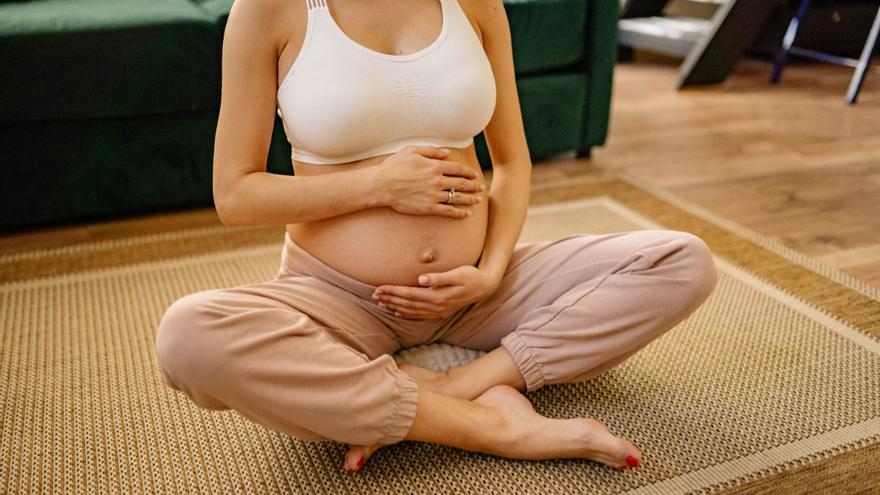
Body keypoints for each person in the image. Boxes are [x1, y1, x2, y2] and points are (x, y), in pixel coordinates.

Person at [154, 0, 718, 474]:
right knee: (188, 335)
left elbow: (514, 164)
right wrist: (379, 186)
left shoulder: (474, 3)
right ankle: (488, 425)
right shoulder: (271, 10)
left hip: (477, 293)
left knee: (680, 261)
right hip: (339, 301)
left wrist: (490, 272)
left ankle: (453, 382)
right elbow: (236, 195)